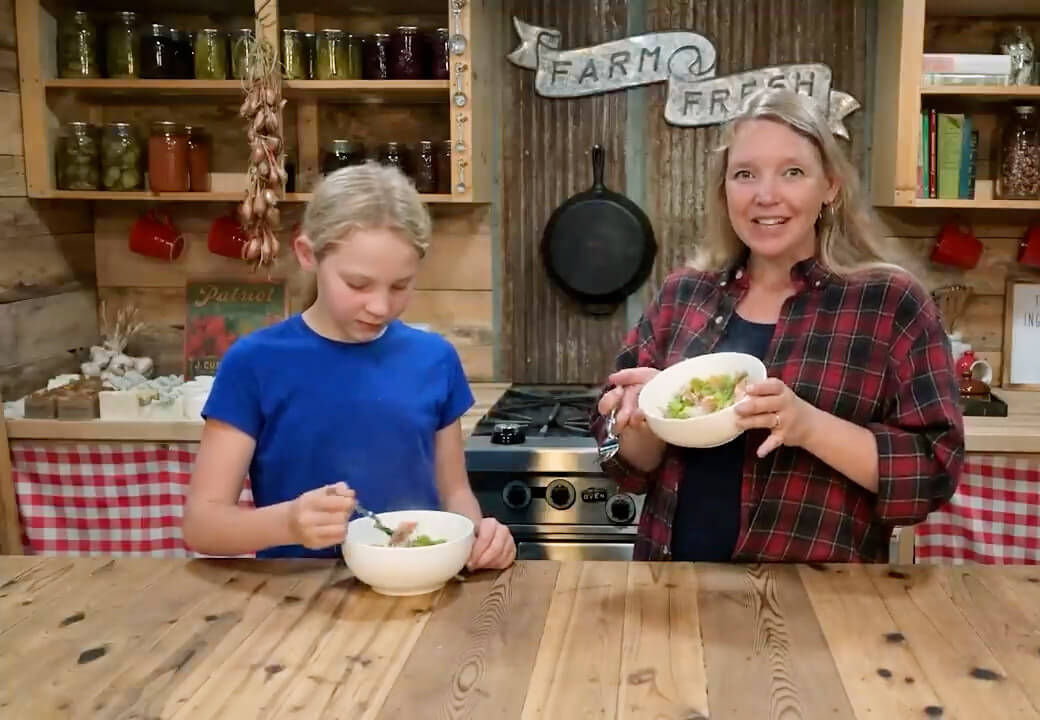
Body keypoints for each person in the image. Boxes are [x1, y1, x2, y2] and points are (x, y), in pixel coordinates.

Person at [593, 88, 965, 563]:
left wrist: (807, 425)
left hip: (819, 611)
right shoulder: (682, 295)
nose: (765, 196)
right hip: (675, 596)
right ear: (724, 188)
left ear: (829, 185)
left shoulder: (889, 303)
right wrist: (643, 419)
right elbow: (627, 466)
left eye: (792, 172)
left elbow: (933, 473)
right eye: (745, 174)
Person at [183, 162, 515, 570]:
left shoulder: (435, 359)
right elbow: (202, 524)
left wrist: (478, 538)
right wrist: (287, 523)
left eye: (400, 286)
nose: (380, 306)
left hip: (420, 587)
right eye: (358, 284)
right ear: (307, 254)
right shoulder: (254, 363)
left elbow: (455, 496)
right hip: (294, 596)